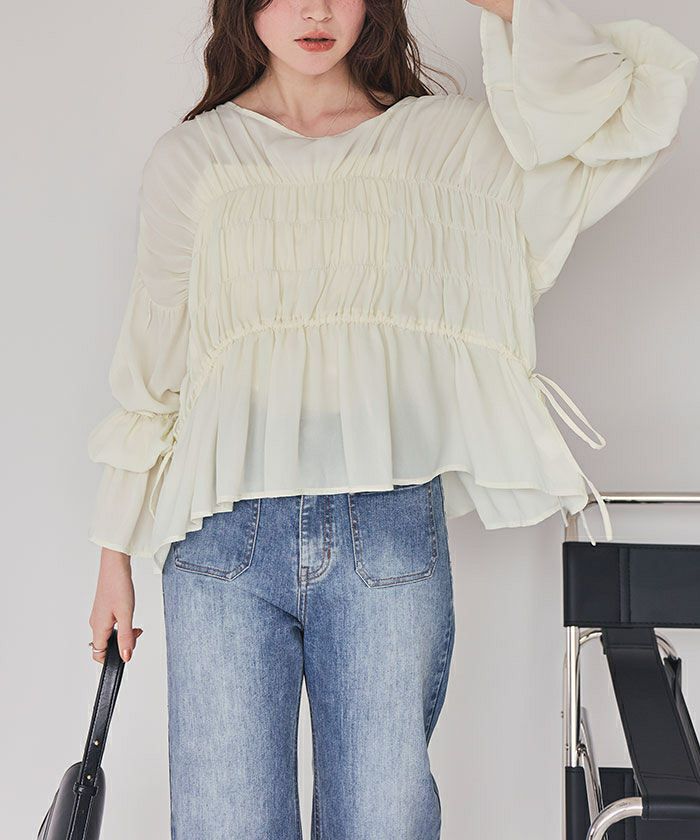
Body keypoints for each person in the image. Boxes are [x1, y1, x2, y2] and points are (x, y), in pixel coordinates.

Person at [85, 0, 697, 836]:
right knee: (223, 823)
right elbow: (153, 368)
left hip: (387, 531)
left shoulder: (442, 149)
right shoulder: (193, 161)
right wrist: (113, 554)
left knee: (385, 822)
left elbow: (632, 103)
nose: (314, 9)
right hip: (219, 540)